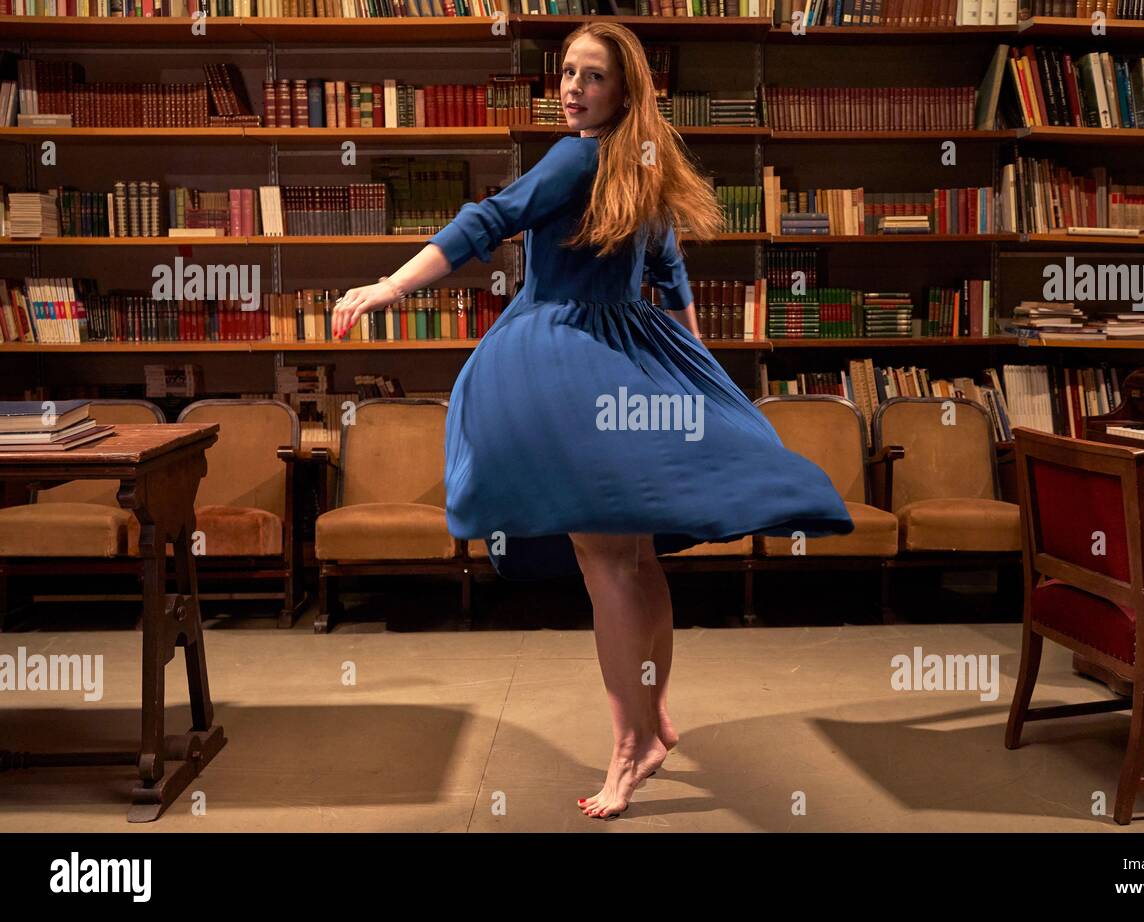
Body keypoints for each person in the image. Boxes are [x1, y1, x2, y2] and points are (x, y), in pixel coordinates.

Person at [331, 22, 854, 819]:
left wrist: (386, 287)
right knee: (636, 563)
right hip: (627, 357)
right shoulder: (643, 159)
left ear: (624, 90)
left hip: (566, 356)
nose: (572, 88)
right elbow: (670, 278)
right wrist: (698, 372)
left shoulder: (580, 155)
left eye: (593, 77)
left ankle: (627, 748)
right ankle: (652, 720)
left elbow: (487, 220)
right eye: (567, 73)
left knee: (608, 566)